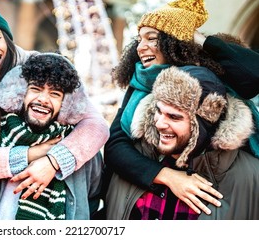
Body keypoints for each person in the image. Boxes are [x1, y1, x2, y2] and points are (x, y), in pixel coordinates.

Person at [0, 0, 109, 219]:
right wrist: (32, 153)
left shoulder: (37, 67)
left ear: (7, 40)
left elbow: (96, 125)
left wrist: (54, 161)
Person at [103, 0, 259, 217]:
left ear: (172, 43)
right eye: (139, 39)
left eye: (152, 39)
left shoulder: (207, 81)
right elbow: (115, 146)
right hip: (146, 198)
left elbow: (254, 73)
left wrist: (197, 38)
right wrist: (167, 175)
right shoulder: (140, 84)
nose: (140, 47)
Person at [0, 53, 103, 220]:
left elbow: (92, 200)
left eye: (55, 94)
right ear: (21, 93)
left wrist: (53, 162)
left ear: (66, 104)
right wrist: (30, 153)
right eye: (36, 89)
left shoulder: (85, 154)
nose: (43, 99)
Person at [107, 65, 259, 219]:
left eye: (174, 117)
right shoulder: (130, 159)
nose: (159, 123)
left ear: (203, 124)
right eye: (158, 111)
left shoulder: (250, 178)